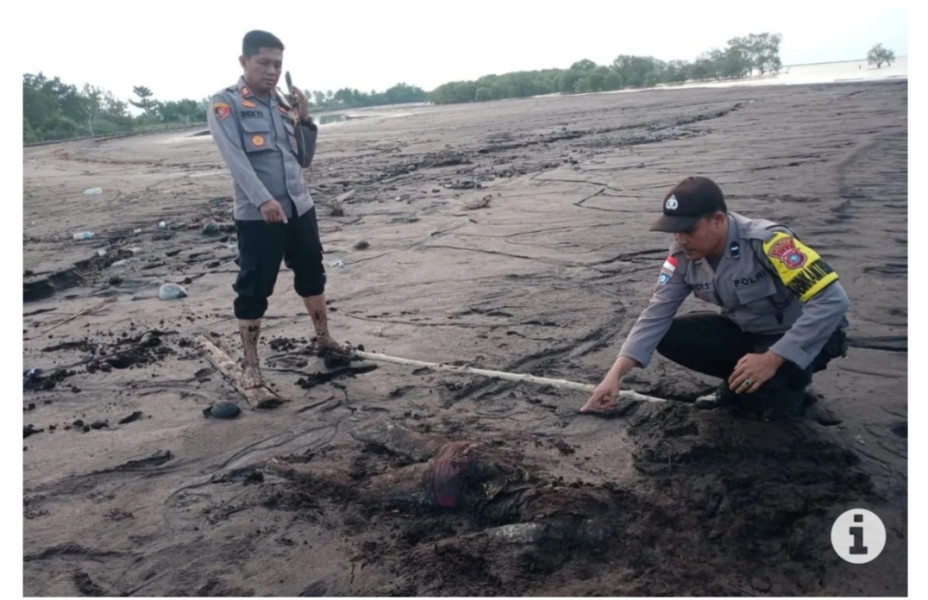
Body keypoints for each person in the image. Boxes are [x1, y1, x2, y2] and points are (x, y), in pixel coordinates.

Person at [581, 176, 850, 420]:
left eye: (688, 230)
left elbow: (832, 300)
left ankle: (792, 385)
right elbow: (655, 315)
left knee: (771, 410)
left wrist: (773, 358)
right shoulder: (682, 258)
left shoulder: (768, 243)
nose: (680, 239)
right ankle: (739, 381)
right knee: (668, 333)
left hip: (805, 335)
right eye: (674, 231)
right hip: (749, 332)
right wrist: (614, 376)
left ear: (718, 220)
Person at [207, 30, 342, 389]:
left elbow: (304, 159)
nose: (272, 71)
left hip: (300, 206)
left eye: (278, 65)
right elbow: (235, 159)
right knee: (254, 287)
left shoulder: (284, 104)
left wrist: (305, 117)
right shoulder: (226, 103)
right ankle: (251, 364)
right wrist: (263, 199)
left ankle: (324, 339)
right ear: (244, 62)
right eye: (264, 63)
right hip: (258, 215)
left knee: (312, 273)